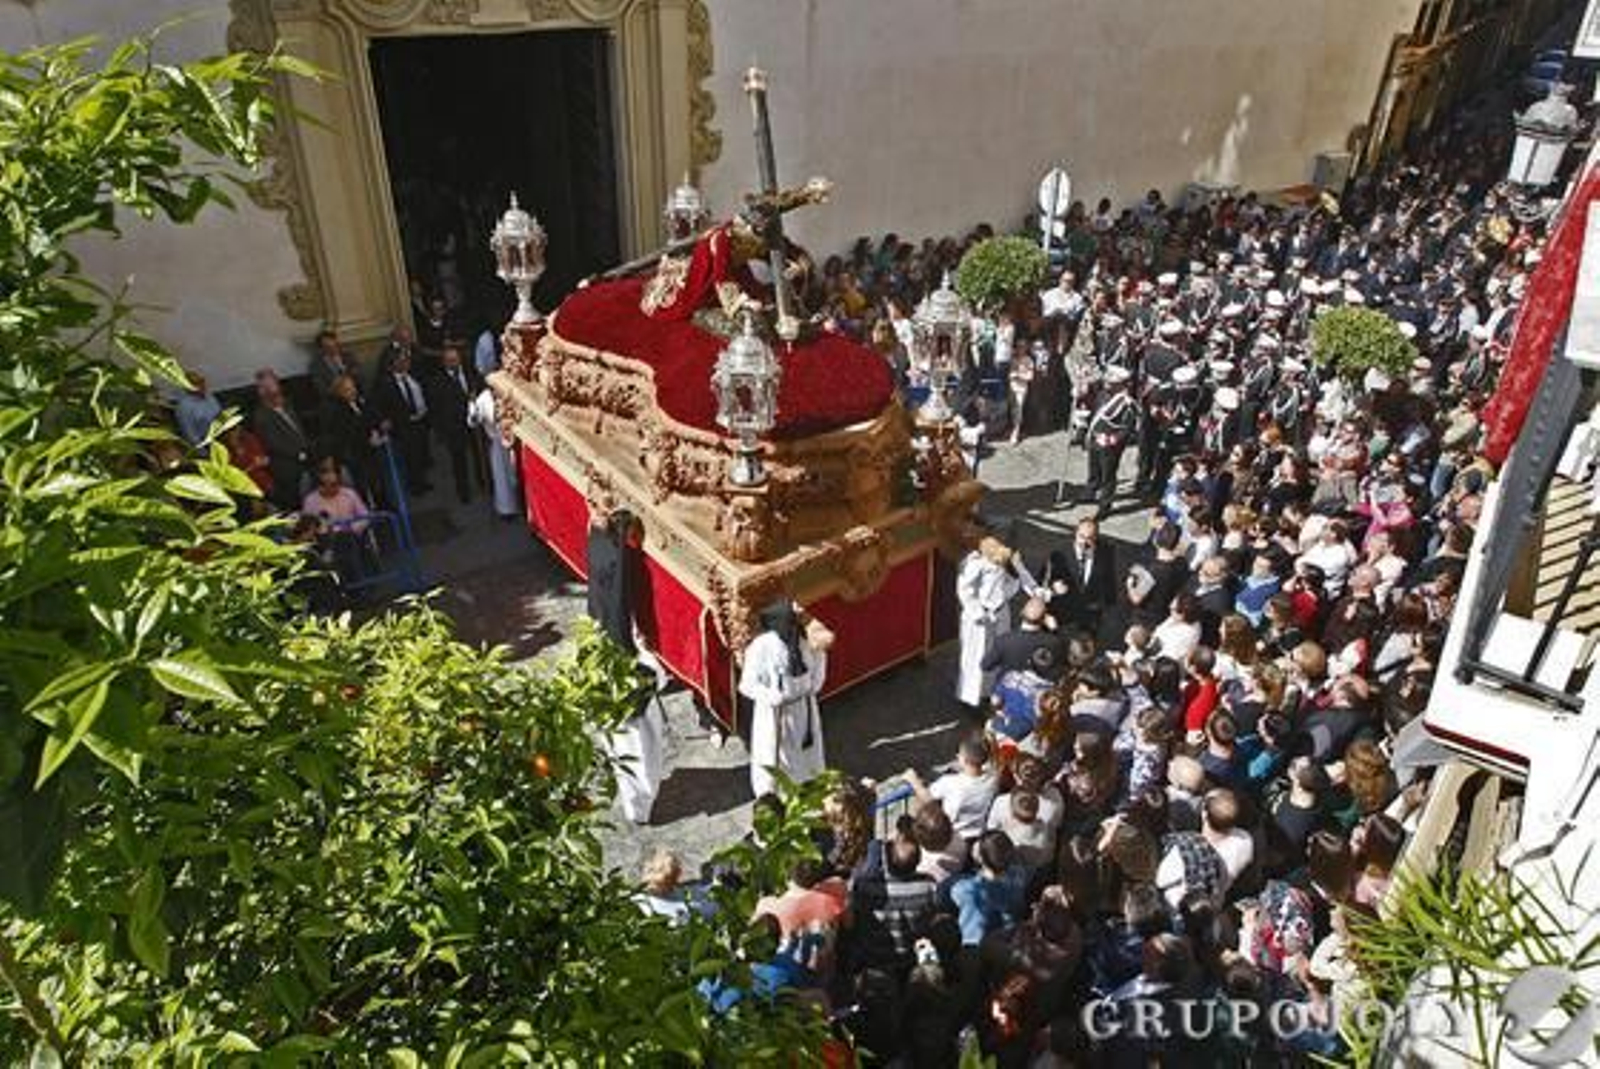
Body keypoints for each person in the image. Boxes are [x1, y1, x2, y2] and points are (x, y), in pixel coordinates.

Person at [740, 600, 832, 799]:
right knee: (776, 756)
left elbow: (818, 661)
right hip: (776, 714)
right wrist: (772, 697)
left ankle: (810, 789)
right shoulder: (761, 647)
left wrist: (813, 685)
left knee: (808, 754)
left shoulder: (804, 641)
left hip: (804, 708)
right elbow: (747, 684)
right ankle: (774, 797)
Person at [955, 536, 1029, 714]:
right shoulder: (975, 564)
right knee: (976, 658)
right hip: (979, 620)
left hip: (1000, 613)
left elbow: (1012, 582)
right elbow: (964, 589)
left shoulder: (1003, 562)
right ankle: (970, 698)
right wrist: (978, 611)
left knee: (996, 655)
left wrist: (1003, 598)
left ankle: (989, 693)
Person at [371, 349, 432, 495]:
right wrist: (385, 420)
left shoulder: (414, 375)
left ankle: (421, 481)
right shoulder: (385, 383)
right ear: (393, 364)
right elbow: (377, 405)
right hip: (403, 425)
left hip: (421, 420)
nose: (406, 362)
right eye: (402, 360)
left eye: (406, 359)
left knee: (420, 452)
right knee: (410, 456)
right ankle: (415, 485)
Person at [427, 341, 481, 504]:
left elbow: (479, 387)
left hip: (475, 422)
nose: (454, 363)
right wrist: (441, 432)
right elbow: (436, 408)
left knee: (479, 454)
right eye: (450, 361)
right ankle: (463, 492)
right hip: (454, 428)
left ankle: (483, 481)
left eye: (456, 360)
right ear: (444, 362)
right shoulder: (437, 382)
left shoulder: (470, 372)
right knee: (459, 461)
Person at [252, 370, 312, 511]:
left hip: (306, 459)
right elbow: (273, 444)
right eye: (270, 387)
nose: (276, 390)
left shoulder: (287, 405)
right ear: (262, 392)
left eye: (276, 384)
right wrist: (299, 454)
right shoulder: (261, 416)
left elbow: (299, 429)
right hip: (287, 467)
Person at [1082, 366, 1137, 518]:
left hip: (1110, 446)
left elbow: (1127, 429)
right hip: (1095, 438)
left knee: (1108, 476)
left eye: (1111, 382)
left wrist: (1113, 439)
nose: (1107, 384)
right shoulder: (1103, 395)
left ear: (1120, 385)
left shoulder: (1126, 404)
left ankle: (1105, 505)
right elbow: (1094, 410)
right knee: (1093, 468)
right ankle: (1090, 491)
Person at [467, 383, 521, 519]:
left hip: (515, 441)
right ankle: (506, 510)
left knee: (517, 474)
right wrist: (472, 407)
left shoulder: (508, 391)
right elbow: (473, 421)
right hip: (498, 444)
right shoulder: (483, 399)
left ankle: (522, 505)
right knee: (502, 479)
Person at [173, 371, 222, 446]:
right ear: (188, 387)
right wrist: (203, 451)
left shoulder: (209, 396)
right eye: (197, 384)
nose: (202, 386)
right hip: (206, 441)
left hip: (222, 434)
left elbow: (220, 412)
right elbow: (190, 435)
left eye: (202, 382)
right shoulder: (184, 407)